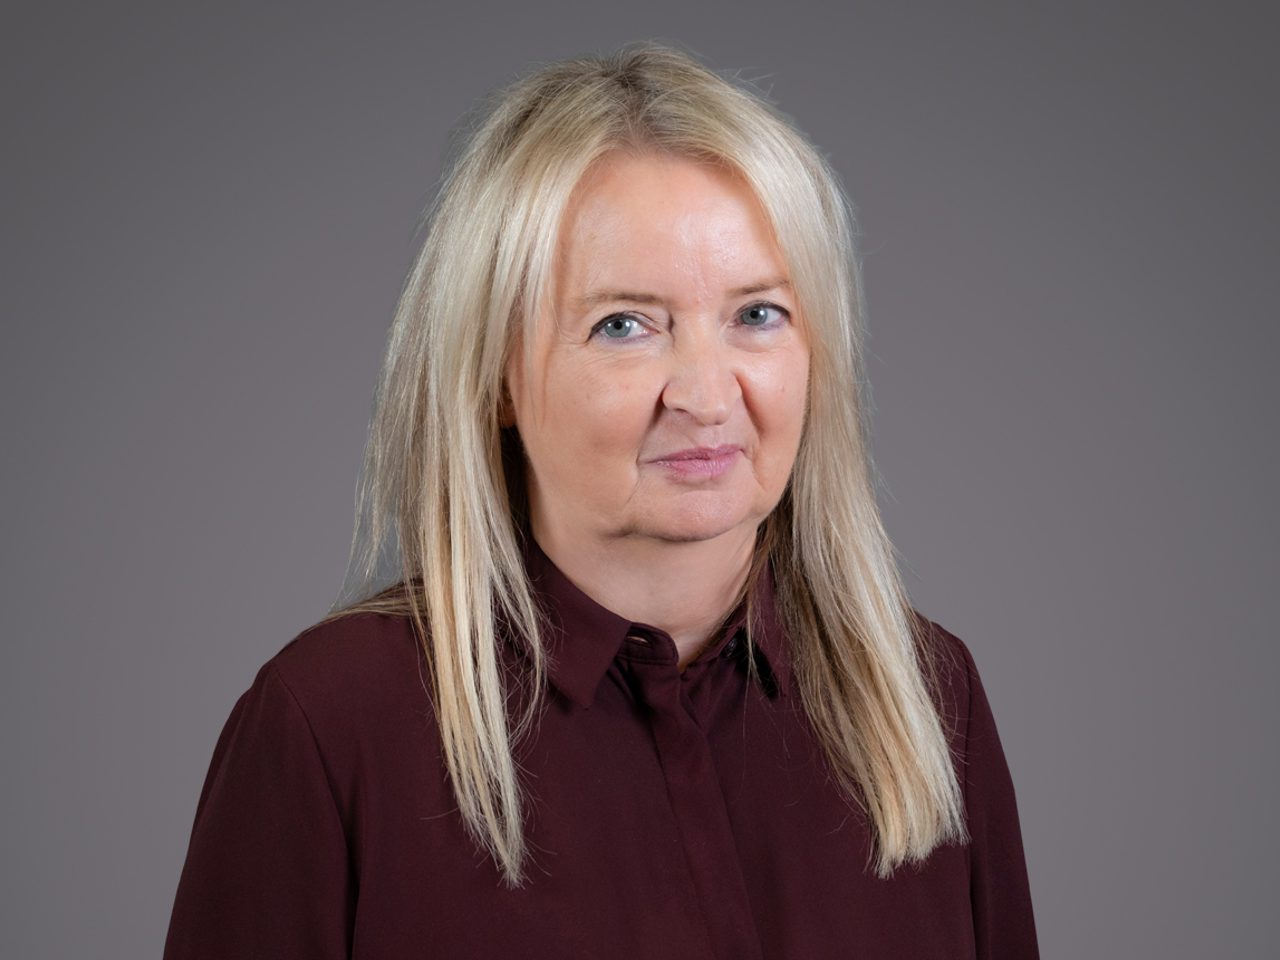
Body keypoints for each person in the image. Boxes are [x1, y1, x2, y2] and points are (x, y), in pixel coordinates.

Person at [162, 40, 1039, 959]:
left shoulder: (928, 697)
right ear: (495, 376)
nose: (706, 393)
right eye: (624, 324)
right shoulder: (330, 725)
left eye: (758, 315)